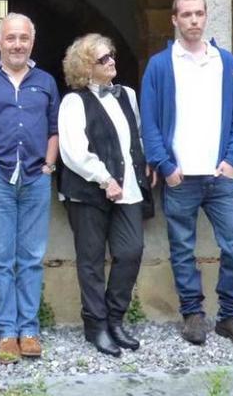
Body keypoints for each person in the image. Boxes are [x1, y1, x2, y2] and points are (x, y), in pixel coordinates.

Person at [140, 0, 233, 353]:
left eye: (199, 14)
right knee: (182, 248)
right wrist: (166, 166)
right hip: (181, 177)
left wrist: (231, 159)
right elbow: (149, 123)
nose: (193, 20)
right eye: (186, 15)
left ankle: (230, 316)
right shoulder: (161, 65)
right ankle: (193, 313)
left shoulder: (225, 62)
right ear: (174, 20)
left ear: (206, 17)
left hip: (220, 175)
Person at [0, 13, 60, 364]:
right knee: (1, 259)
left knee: (32, 258)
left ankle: (30, 330)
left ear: (32, 41)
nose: (17, 44)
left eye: (23, 38)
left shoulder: (46, 81)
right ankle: (7, 332)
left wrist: (49, 165)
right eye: (11, 38)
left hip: (36, 177)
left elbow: (54, 128)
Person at [58, 34, 153, 357]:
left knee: (131, 251)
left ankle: (115, 319)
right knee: (91, 261)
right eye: (103, 59)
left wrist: (143, 164)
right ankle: (95, 326)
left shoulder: (127, 94)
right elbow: (73, 151)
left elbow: (134, 137)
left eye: (111, 55)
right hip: (88, 191)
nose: (112, 61)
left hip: (128, 188)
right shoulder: (74, 101)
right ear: (85, 67)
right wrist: (103, 177)